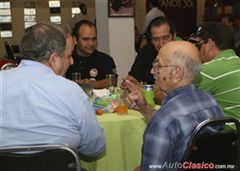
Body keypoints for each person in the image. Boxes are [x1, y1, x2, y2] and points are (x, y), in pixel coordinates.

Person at [0, 22, 105, 157]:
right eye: (68, 56)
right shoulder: (71, 91)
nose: (72, 62)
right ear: (54, 59)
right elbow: (95, 148)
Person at [124, 41, 224, 171]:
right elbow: (178, 124)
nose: (152, 70)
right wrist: (145, 108)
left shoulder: (164, 119)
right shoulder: (210, 102)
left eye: (157, 65)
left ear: (177, 73)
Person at [188, 22, 240, 121]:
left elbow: (179, 100)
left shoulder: (210, 70)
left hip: (230, 133)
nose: (197, 51)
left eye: (199, 46)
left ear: (210, 44)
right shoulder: (236, 62)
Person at [65, 20, 117, 89]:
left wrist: (93, 84)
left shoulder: (106, 59)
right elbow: (57, 80)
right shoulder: (66, 59)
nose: (91, 43)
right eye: (86, 39)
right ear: (75, 40)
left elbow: (112, 81)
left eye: (94, 39)